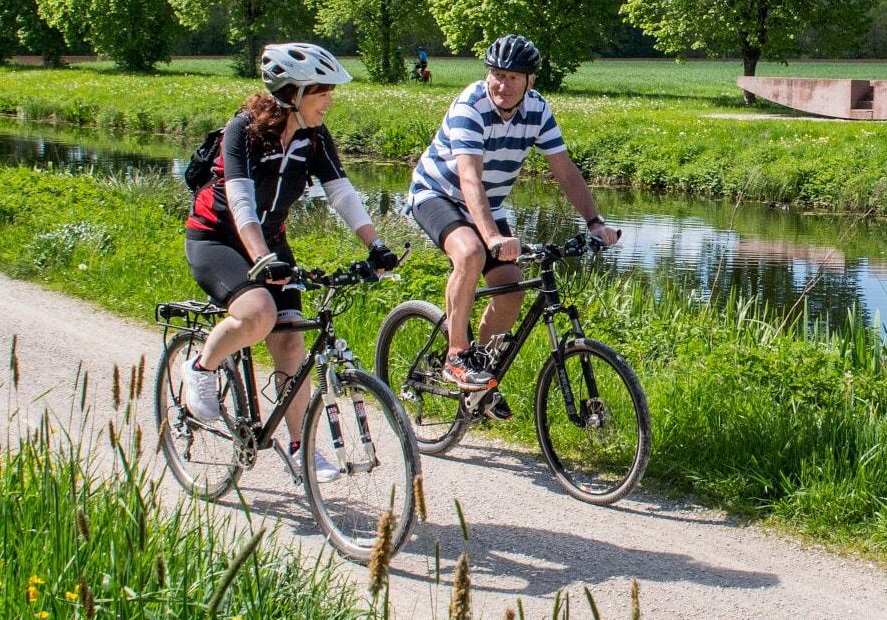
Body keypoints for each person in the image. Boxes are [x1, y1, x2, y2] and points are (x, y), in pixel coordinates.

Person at [180, 42, 401, 480]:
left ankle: (302, 449)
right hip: (217, 238)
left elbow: (340, 192)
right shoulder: (241, 131)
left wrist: (376, 244)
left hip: (271, 242)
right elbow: (241, 202)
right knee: (258, 312)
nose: (330, 101)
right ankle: (200, 367)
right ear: (295, 92)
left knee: (292, 342)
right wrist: (261, 258)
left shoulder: (313, 136)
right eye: (324, 92)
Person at [406, 34, 618, 405]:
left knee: (511, 289)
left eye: (513, 77)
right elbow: (469, 177)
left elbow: (565, 170)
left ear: (530, 82)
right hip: (438, 193)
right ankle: (456, 356)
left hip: (489, 203)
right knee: (470, 253)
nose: (502, 85)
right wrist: (490, 237)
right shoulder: (470, 107)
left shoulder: (537, 109)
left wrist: (594, 222)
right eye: (497, 75)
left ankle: (480, 374)